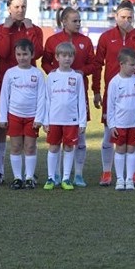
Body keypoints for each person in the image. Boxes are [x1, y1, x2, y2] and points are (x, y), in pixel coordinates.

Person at [93, 0, 135, 186]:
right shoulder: (106, 37)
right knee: (109, 132)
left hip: (133, 93)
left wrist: (134, 34)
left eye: (130, 18)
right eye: (123, 17)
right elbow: (97, 65)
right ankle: (106, 171)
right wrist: (95, 90)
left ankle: (134, 173)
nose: (126, 20)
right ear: (116, 17)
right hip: (112, 92)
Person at [41, 7, 97, 186]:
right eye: (75, 21)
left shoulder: (86, 41)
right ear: (64, 21)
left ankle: (78, 174)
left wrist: (81, 72)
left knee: (79, 136)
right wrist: (57, 77)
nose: (78, 24)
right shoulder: (52, 41)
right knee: (56, 142)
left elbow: (93, 65)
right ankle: (55, 175)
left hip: (77, 95)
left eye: (79, 20)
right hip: (58, 98)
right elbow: (45, 62)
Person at [0, 0, 44, 185]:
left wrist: (30, 30)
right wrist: (6, 29)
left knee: (30, 131)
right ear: (8, 8)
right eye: (16, 7)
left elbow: (38, 52)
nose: (20, 10)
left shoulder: (34, 29)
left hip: (30, 85)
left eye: (23, 6)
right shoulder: (1, 29)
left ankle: (29, 173)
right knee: (1, 127)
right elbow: (2, 52)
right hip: (8, 84)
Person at [0, 39, 46, 190]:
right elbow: (4, 96)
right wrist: (2, 117)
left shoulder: (37, 74)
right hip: (14, 115)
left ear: (32, 55)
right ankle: (17, 177)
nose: (22, 57)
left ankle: (29, 177)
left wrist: (39, 118)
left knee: (30, 146)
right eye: (18, 54)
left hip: (32, 117)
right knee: (16, 146)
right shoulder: (10, 73)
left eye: (25, 54)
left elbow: (41, 97)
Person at [42, 42, 88, 192]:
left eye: (70, 56)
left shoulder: (77, 77)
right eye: (63, 56)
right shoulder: (52, 76)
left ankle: (66, 178)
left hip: (71, 120)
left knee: (69, 147)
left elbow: (81, 99)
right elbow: (47, 99)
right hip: (54, 119)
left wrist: (82, 121)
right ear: (57, 57)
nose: (67, 59)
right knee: (54, 147)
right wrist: (45, 120)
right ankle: (51, 177)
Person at [106, 48, 135, 191]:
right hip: (120, 123)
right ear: (121, 64)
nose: (134, 68)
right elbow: (110, 105)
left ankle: (129, 179)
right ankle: (120, 179)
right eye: (131, 65)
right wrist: (112, 125)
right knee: (120, 149)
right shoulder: (115, 82)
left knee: (132, 150)